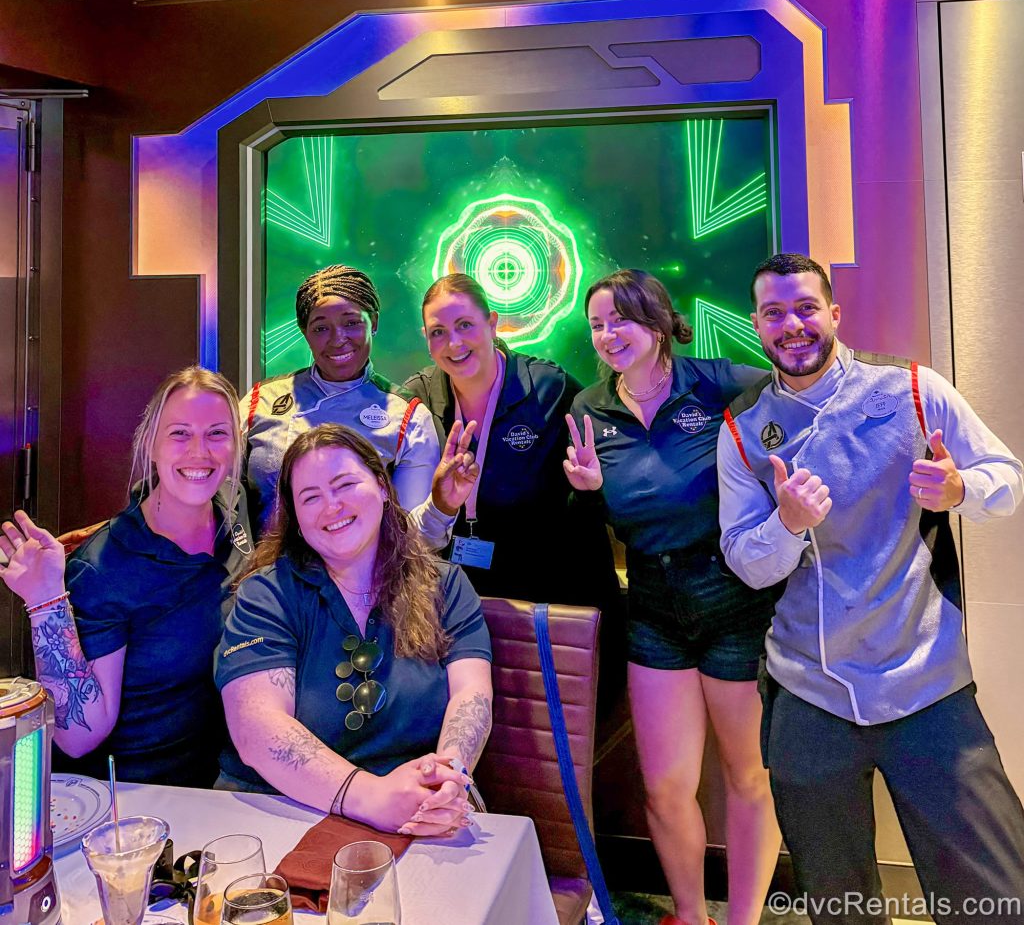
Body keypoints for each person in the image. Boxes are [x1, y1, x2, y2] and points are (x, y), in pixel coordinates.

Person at [717, 253, 1024, 924]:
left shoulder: (913, 389)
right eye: (775, 313)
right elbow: (745, 559)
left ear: (833, 312)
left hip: (926, 683)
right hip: (809, 691)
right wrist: (787, 524)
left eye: (805, 308)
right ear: (757, 325)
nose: (792, 325)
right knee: (837, 901)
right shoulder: (743, 429)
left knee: (997, 897)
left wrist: (960, 487)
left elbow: (1008, 477)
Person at [564, 270, 781, 925]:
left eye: (619, 320)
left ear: (657, 322)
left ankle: (741, 919)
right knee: (664, 787)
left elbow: (801, 400)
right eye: (597, 323)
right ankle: (690, 913)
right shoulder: (588, 409)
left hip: (735, 602)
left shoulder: (721, 384)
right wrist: (591, 488)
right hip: (654, 609)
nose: (606, 335)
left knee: (749, 777)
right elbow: (603, 514)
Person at [215, 424, 493, 837]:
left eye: (345, 484)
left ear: (382, 486)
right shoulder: (266, 593)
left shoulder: (445, 585)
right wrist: (371, 797)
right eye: (310, 497)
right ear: (295, 516)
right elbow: (257, 729)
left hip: (418, 810)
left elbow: (472, 695)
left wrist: (447, 779)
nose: (332, 506)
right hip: (280, 814)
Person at [0, 367, 252, 787]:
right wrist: (45, 600)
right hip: (137, 798)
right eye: (179, 434)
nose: (199, 453)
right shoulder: (104, 568)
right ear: (151, 444)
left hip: (223, 783)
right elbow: (79, 735)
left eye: (217, 434)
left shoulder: (235, 504)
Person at [404, 273, 619, 611]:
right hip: (457, 595)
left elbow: (598, 498)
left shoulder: (551, 389)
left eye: (465, 325)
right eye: (438, 333)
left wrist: (590, 490)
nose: (454, 343)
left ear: (492, 324)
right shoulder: (416, 402)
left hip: (548, 591)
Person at [242, 264, 476, 547]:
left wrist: (442, 505)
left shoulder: (407, 416)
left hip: (363, 587)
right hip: (267, 583)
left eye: (351, 322)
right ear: (304, 332)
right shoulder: (260, 401)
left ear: (373, 322)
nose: (338, 338)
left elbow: (417, 542)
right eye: (321, 328)